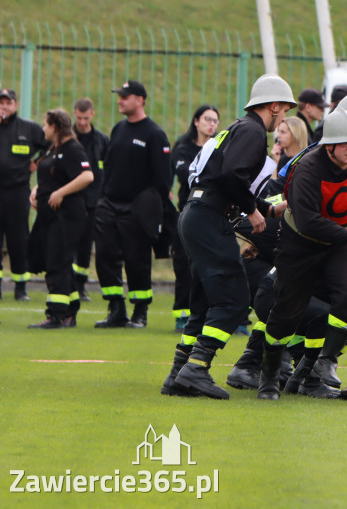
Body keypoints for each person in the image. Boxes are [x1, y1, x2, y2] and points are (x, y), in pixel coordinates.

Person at [161, 74, 296, 400]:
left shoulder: (238, 128)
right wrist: (252, 210)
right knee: (234, 300)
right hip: (209, 217)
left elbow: (223, 179)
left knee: (205, 300)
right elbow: (232, 175)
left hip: (196, 212)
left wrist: (268, 209)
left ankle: (179, 373)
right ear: (274, 105)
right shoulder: (252, 131)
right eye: (284, 110)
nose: (283, 117)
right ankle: (197, 369)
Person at [258, 109, 347, 401]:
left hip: (340, 242)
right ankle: (269, 376)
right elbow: (308, 221)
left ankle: (325, 362)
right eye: (346, 143)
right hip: (301, 243)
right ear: (329, 146)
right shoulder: (308, 169)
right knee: (287, 313)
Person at [92, 81, 172, 330]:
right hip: (109, 205)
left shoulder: (154, 134)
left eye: (124, 97)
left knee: (137, 261)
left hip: (137, 209)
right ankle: (116, 309)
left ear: (140, 100)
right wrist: (103, 197)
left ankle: (140, 313)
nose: (119, 100)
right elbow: (109, 167)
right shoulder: (118, 129)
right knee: (105, 257)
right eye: (119, 96)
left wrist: (147, 206)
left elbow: (163, 179)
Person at [26, 109, 94, 328]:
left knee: (58, 262)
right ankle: (70, 310)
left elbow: (87, 175)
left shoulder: (73, 149)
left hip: (67, 216)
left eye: (46, 125)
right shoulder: (53, 149)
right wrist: (37, 189)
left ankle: (55, 315)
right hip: (50, 216)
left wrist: (60, 193)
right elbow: (49, 174)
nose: (43, 129)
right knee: (55, 260)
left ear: (54, 127)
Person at [169, 105, 220, 331]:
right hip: (186, 214)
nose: (211, 124)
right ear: (196, 121)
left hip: (210, 215)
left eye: (215, 121)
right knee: (183, 265)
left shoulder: (218, 148)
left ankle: (207, 313)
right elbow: (185, 174)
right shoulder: (183, 148)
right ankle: (182, 313)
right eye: (207, 119)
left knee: (206, 266)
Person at [0, 87, 47, 301]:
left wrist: (37, 163)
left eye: (8, 103)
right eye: (1, 103)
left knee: (18, 240)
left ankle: (21, 287)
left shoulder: (29, 129)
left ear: (15, 105)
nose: (4, 107)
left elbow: (51, 145)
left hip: (17, 192)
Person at [71, 98, 109, 304]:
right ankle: (67, 284)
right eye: (78, 118)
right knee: (69, 243)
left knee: (86, 246)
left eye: (85, 118)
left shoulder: (101, 140)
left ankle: (80, 284)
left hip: (95, 200)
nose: (82, 122)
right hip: (72, 200)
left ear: (92, 115)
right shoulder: (67, 139)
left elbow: (109, 168)